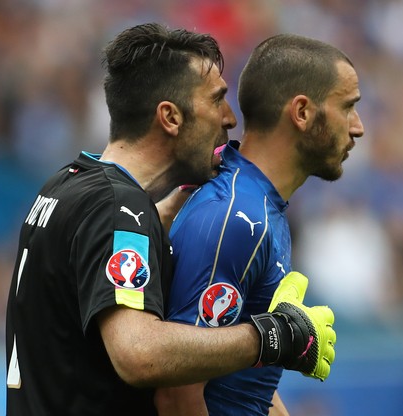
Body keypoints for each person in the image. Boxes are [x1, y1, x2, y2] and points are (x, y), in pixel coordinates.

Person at [5, 23, 336, 415]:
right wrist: (270, 336)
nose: (229, 119)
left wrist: (158, 221)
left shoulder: (66, 185)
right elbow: (138, 355)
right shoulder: (118, 210)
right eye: (216, 100)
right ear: (171, 117)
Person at [155, 34, 364, 415]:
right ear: (302, 112)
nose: (358, 127)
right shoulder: (235, 218)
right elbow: (177, 393)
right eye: (347, 107)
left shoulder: (264, 208)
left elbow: (249, 388)